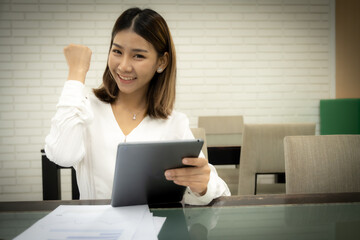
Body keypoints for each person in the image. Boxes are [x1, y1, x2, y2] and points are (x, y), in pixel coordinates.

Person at [45, 7, 230, 205]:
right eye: (117, 51)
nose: (123, 66)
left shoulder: (174, 123)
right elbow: (61, 155)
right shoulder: (85, 109)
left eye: (138, 56)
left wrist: (201, 186)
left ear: (162, 61)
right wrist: (76, 73)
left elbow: (219, 192)